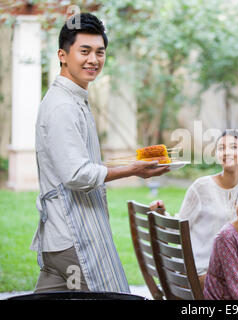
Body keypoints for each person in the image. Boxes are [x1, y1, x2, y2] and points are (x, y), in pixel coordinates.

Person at [30, 13, 169, 293]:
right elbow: (76, 174)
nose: (93, 60)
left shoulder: (73, 98)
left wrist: (132, 163)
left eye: (99, 52)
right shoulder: (63, 107)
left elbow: (77, 164)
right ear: (62, 55)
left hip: (59, 242)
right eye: (84, 51)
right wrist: (134, 170)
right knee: (112, 296)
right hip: (76, 239)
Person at [149, 130, 238, 288]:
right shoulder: (201, 187)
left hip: (230, 268)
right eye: (221, 148)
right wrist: (162, 215)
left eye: (233, 147)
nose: (226, 152)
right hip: (200, 272)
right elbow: (179, 228)